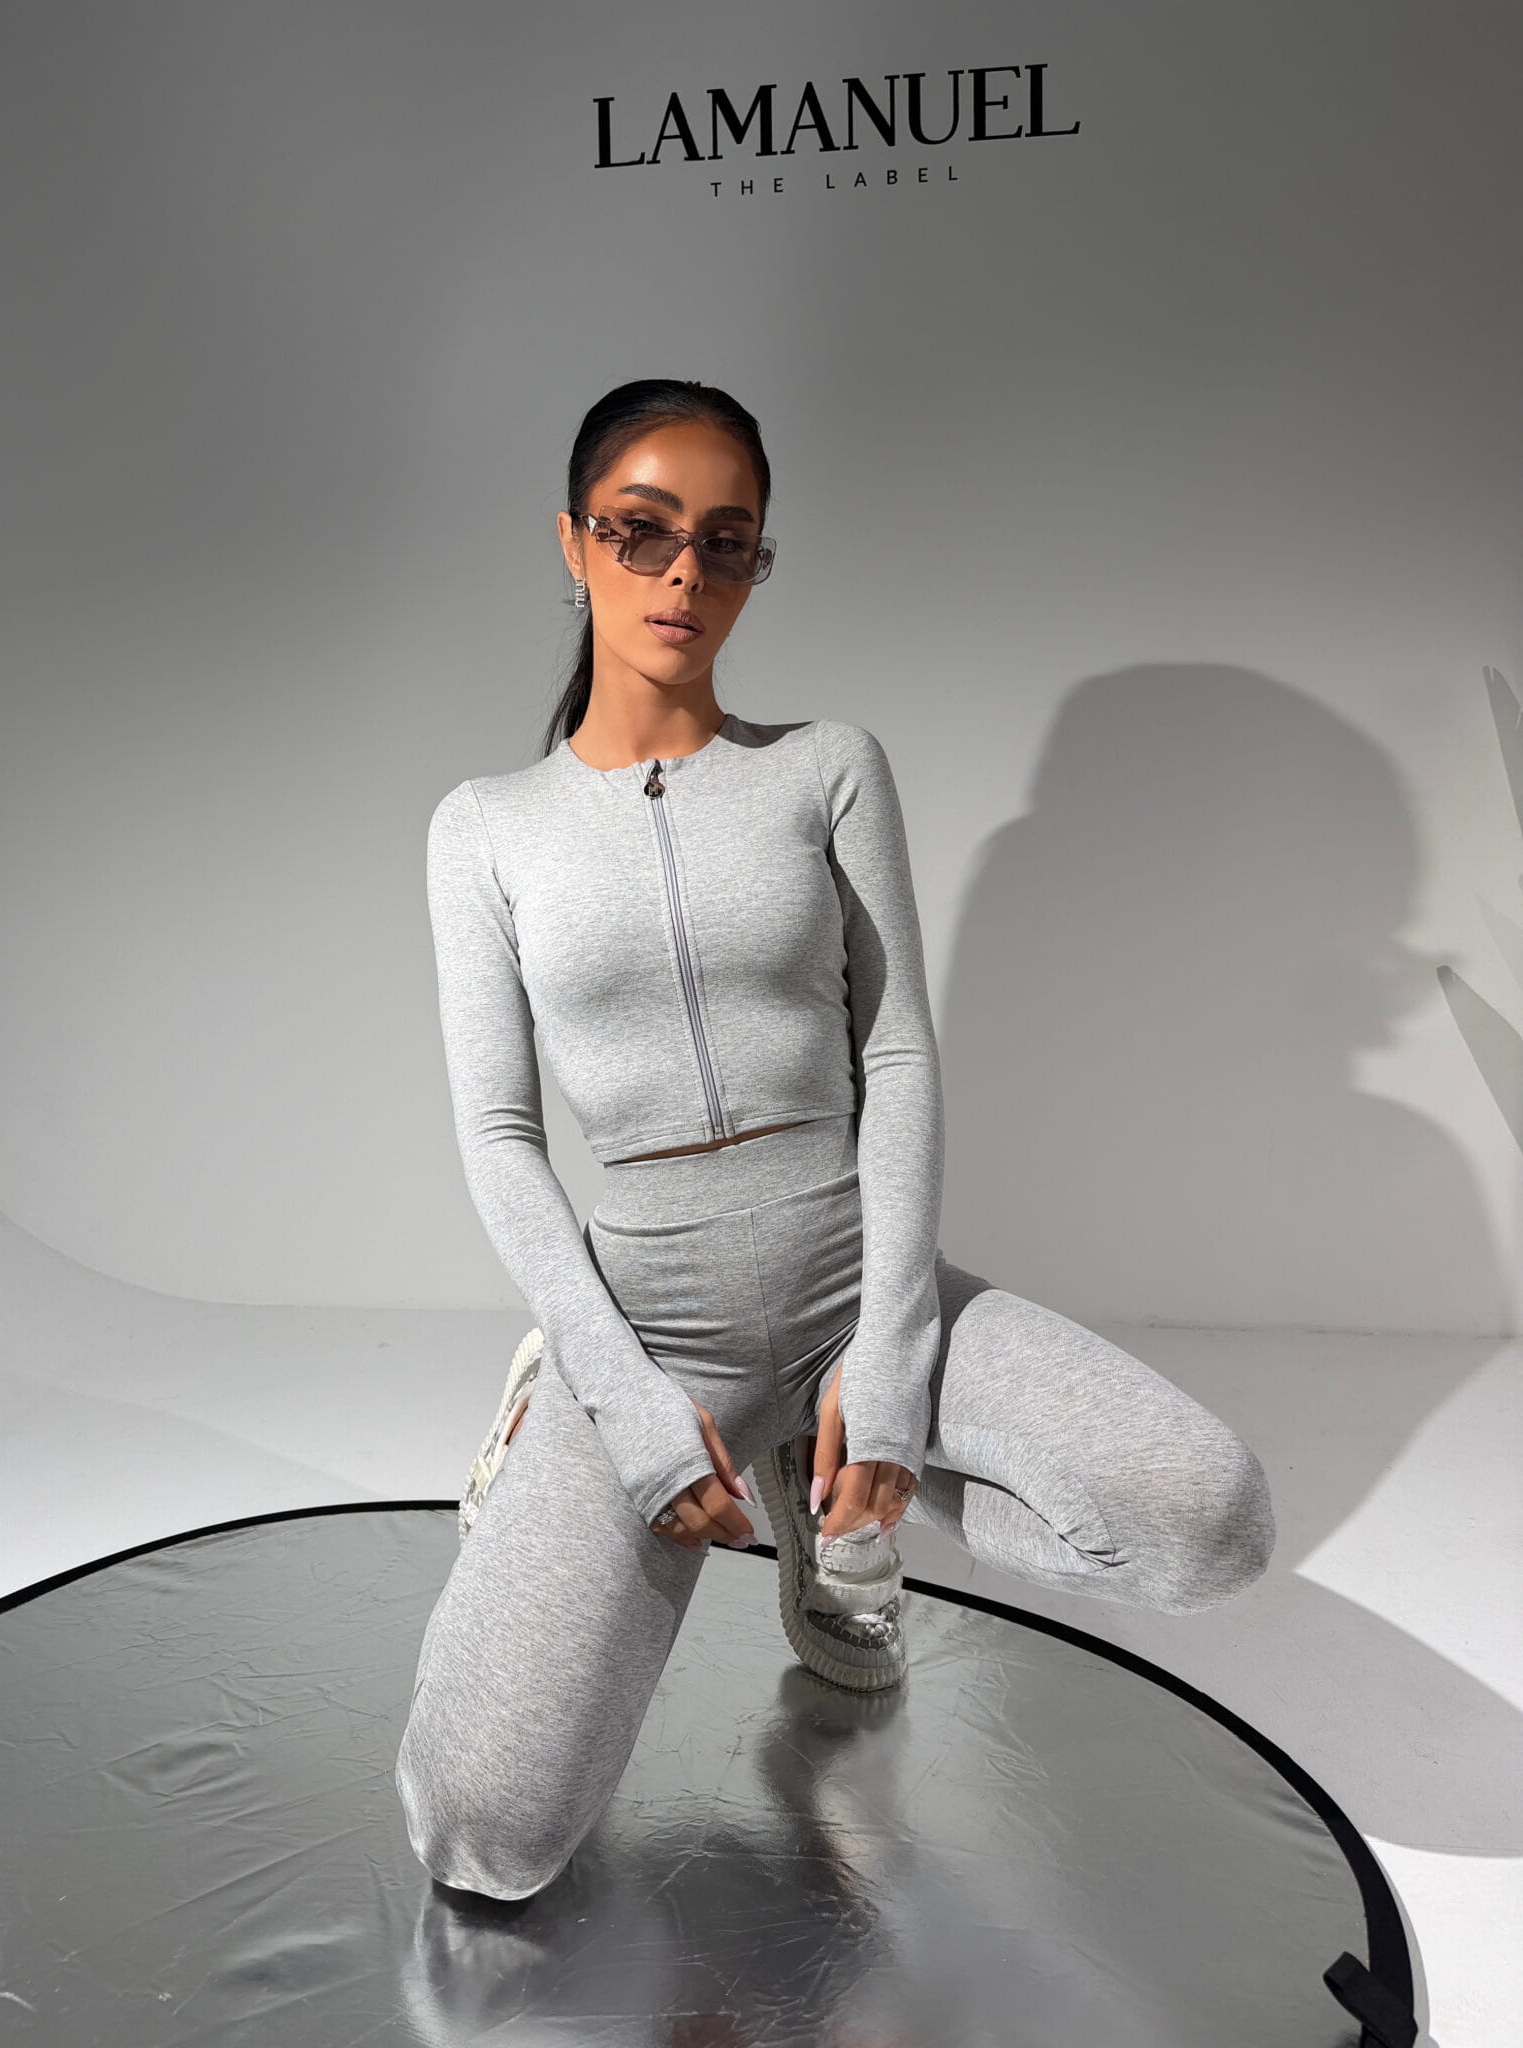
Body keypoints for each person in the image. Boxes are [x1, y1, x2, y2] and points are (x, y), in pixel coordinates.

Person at [395, 378, 1276, 1901]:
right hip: (647, 1334)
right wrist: (627, 1401)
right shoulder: (483, 827)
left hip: (855, 1276)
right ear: (574, 542)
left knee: (1211, 1524)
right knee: (485, 1836)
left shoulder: (826, 768)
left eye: (726, 542)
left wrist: (894, 1350)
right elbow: (496, 1130)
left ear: (756, 562)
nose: (684, 574)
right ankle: (583, 1427)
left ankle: (829, 1485)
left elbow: (898, 1049)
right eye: (642, 531)